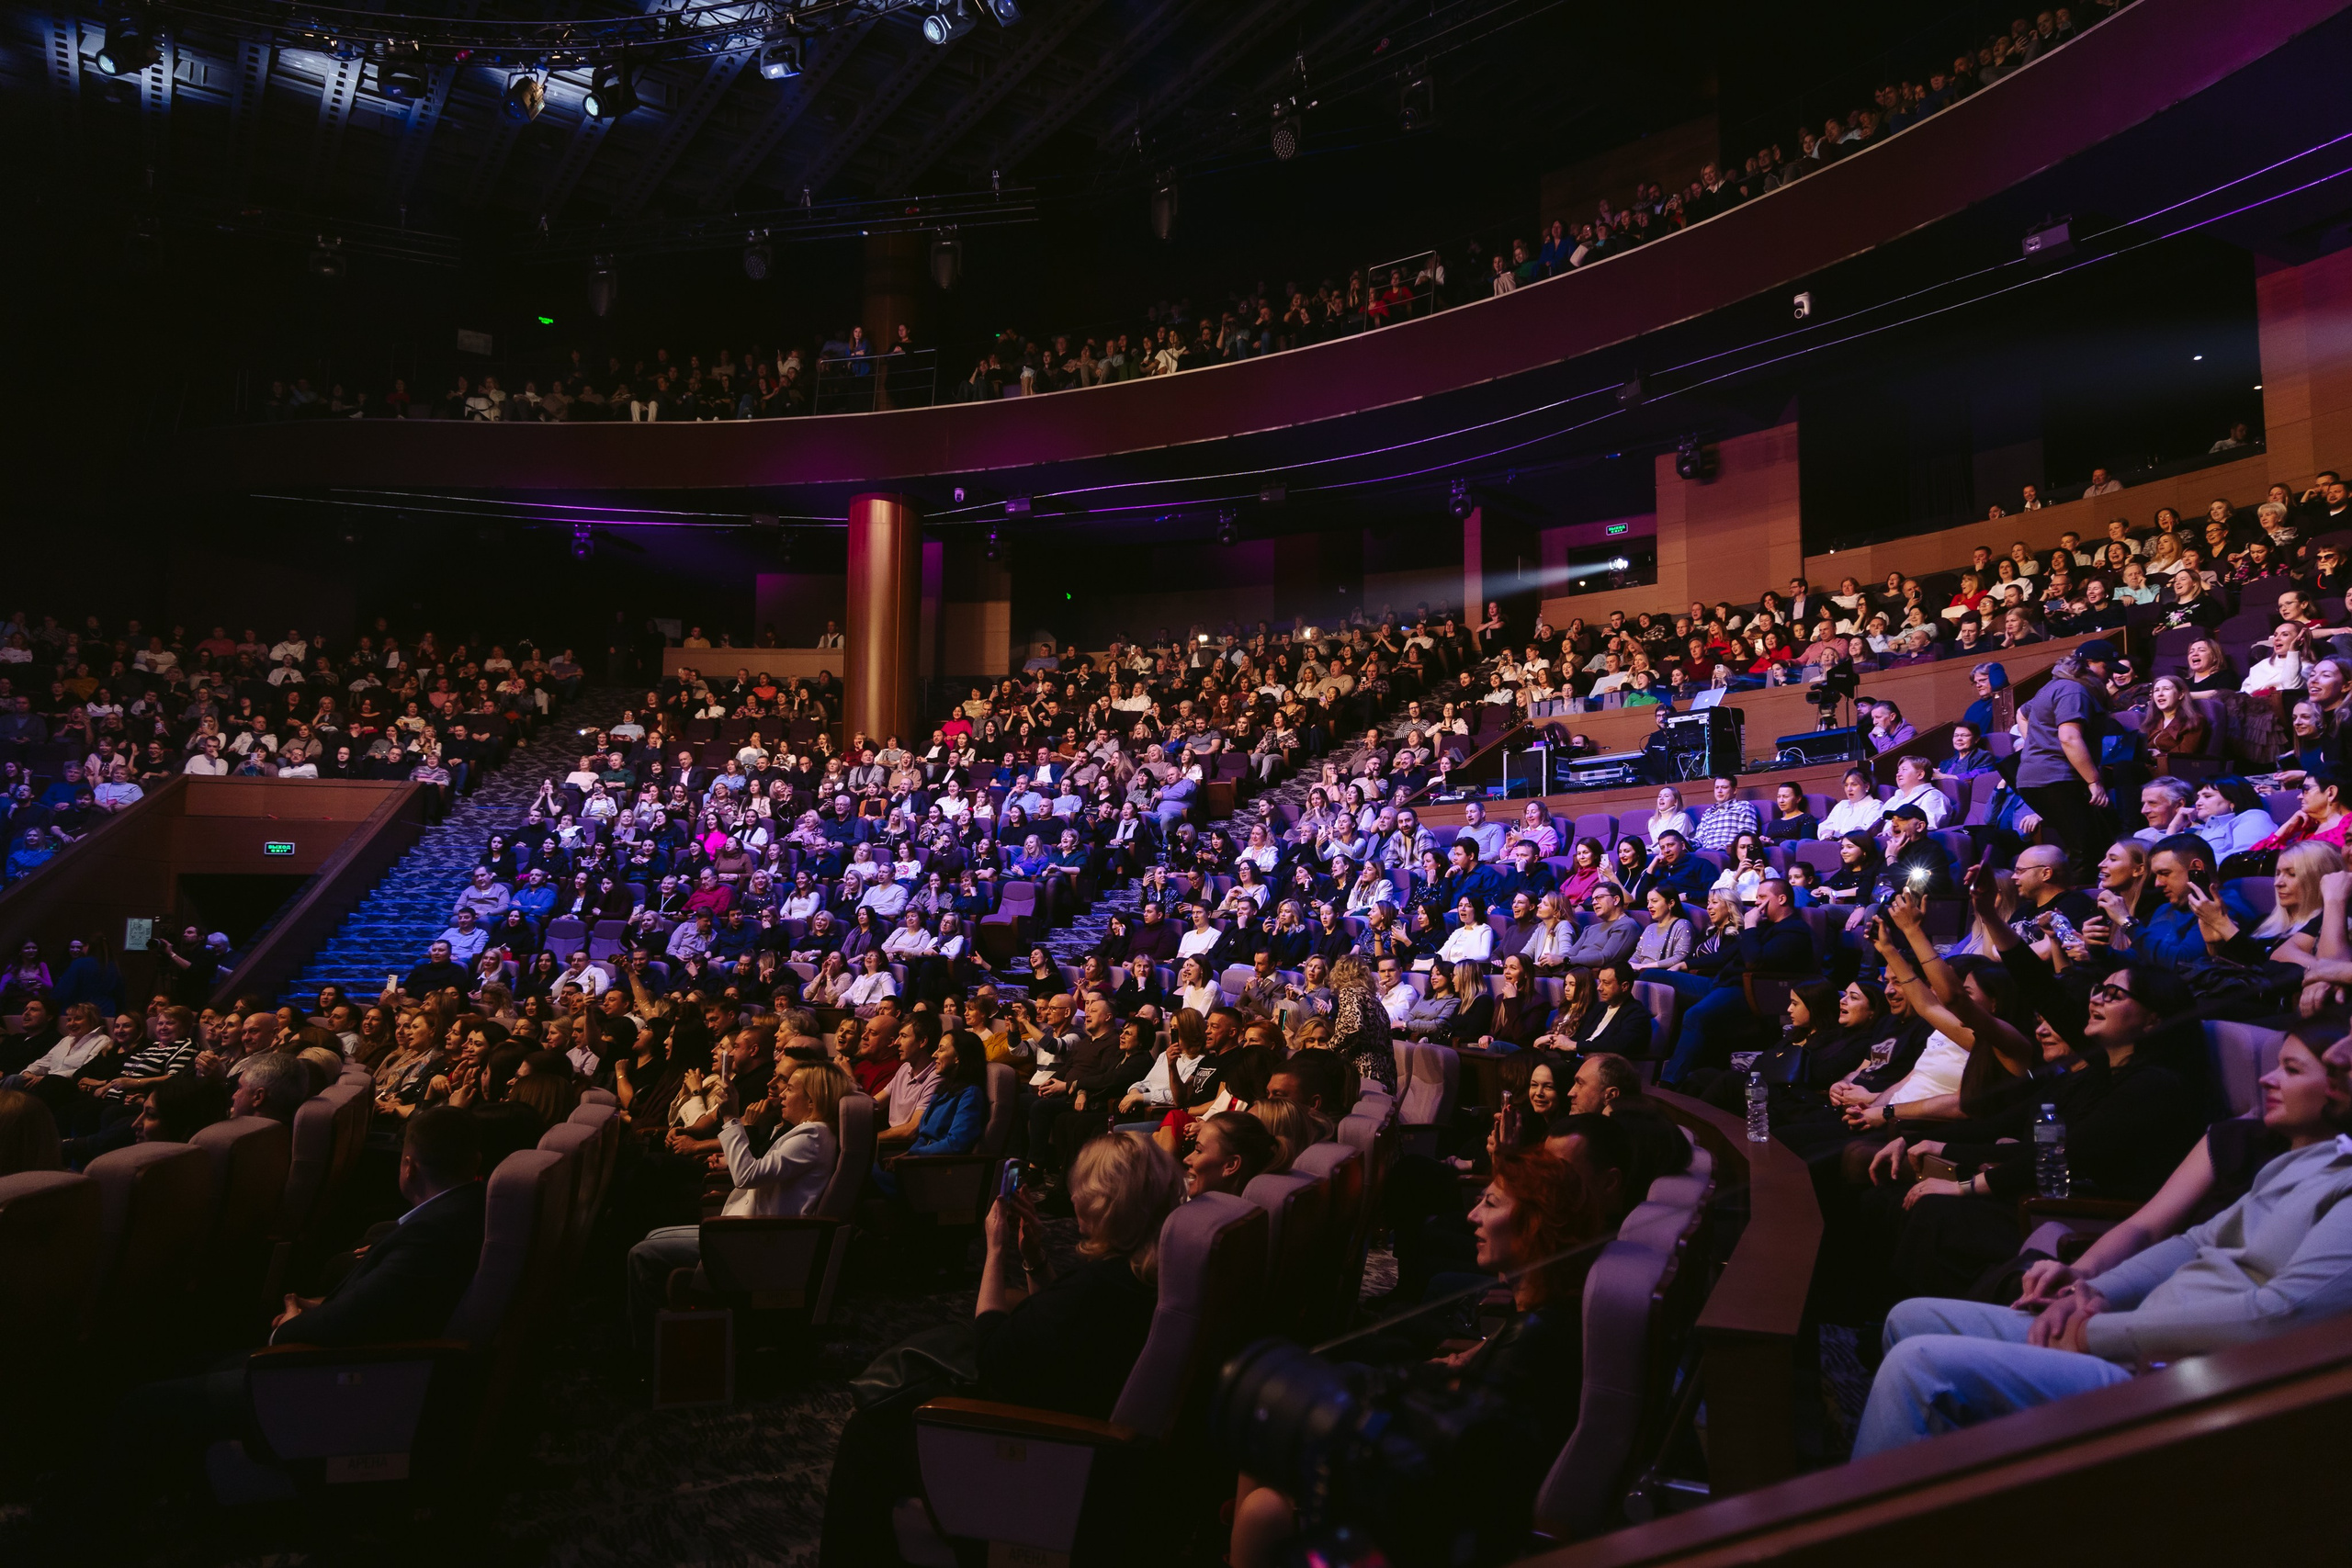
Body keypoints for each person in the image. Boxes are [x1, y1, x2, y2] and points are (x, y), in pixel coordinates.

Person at [1851, 1040, 2352, 1456]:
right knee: (1910, 1317)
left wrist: (2095, 1332)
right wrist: (2092, 1291)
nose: (2265, 1079)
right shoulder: (2306, 1160)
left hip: (2182, 1377)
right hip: (2135, 1334)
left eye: (2289, 1069)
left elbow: (2279, 1317)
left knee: (1920, 1367)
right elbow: (2190, 1240)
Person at [1230, 1147, 1604, 1568]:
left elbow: (1464, 1480)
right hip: (1442, 1501)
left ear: (1536, 1223)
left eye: (1491, 1203)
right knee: (1269, 1440)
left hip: (1441, 1532)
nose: (1472, 1215)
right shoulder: (1541, 1318)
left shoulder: (1538, 1338)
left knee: (1263, 1503)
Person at [820, 1133, 1182, 1564]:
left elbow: (989, 1351)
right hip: (1076, 1419)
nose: (1073, 1197)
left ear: (1108, 1201)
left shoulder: (1098, 1287)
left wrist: (995, 1249)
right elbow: (1063, 1329)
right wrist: (1033, 1256)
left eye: (1082, 1189)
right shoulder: (1143, 1272)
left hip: (1041, 1447)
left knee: (868, 1432)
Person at [626, 1059, 850, 1350]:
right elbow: (760, 1173)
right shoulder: (812, 1133)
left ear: (812, 1099)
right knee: (652, 1237)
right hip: (748, 1231)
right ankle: (664, 1344)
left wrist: (732, 1118)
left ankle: (644, 1350)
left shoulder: (813, 1136)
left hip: (753, 1240)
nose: (782, 1095)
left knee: (641, 1254)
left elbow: (747, 1175)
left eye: (791, 1089)